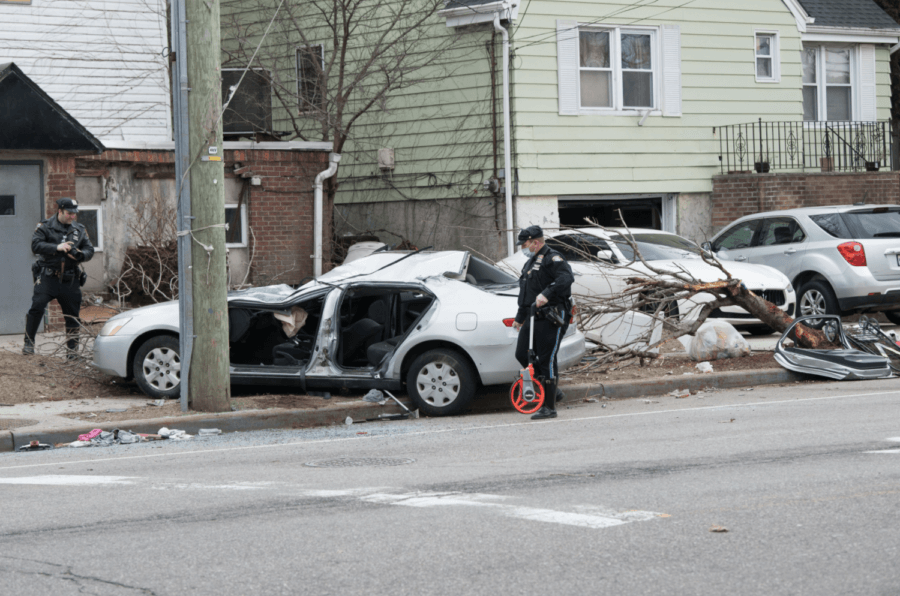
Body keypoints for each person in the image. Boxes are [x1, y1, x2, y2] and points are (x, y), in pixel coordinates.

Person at [513, 225, 574, 420]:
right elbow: (526, 292)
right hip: (532, 316)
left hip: (552, 315)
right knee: (522, 354)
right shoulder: (530, 263)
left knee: (547, 359)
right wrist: (519, 317)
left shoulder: (553, 258)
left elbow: (566, 278)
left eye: (524, 244)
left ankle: (549, 407)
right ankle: (552, 390)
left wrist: (547, 294)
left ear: (535, 242)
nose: (523, 248)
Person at [23, 197, 94, 357]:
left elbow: (89, 250)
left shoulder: (79, 229)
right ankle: (29, 343)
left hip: (70, 279)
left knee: (73, 315)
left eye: (74, 214)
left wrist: (80, 255)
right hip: (48, 277)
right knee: (37, 308)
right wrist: (57, 247)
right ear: (60, 211)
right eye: (69, 213)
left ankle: (72, 351)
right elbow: (35, 245)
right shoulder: (45, 226)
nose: (72, 217)